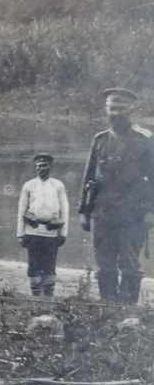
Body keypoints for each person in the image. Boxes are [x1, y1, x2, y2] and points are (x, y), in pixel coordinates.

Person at [79, 88, 154, 304]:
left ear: (132, 109)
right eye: (112, 108)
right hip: (102, 213)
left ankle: (128, 311)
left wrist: (151, 212)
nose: (116, 113)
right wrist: (84, 211)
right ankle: (108, 307)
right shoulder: (100, 139)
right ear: (106, 110)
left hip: (133, 215)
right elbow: (88, 177)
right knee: (104, 265)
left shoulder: (145, 140)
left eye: (121, 108)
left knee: (130, 265)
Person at [16, 153, 69, 297]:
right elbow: (21, 210)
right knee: (33, 265)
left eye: (44, 165)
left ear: (50, 166)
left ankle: (48, 298)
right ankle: (35, 298)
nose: (40, 168)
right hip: (33, 231)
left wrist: (63, 233)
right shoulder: (29, 185)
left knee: (49, 266)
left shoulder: (58, 185)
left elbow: (64, 210)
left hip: (51, 232)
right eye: (38, 166)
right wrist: (20, 233)